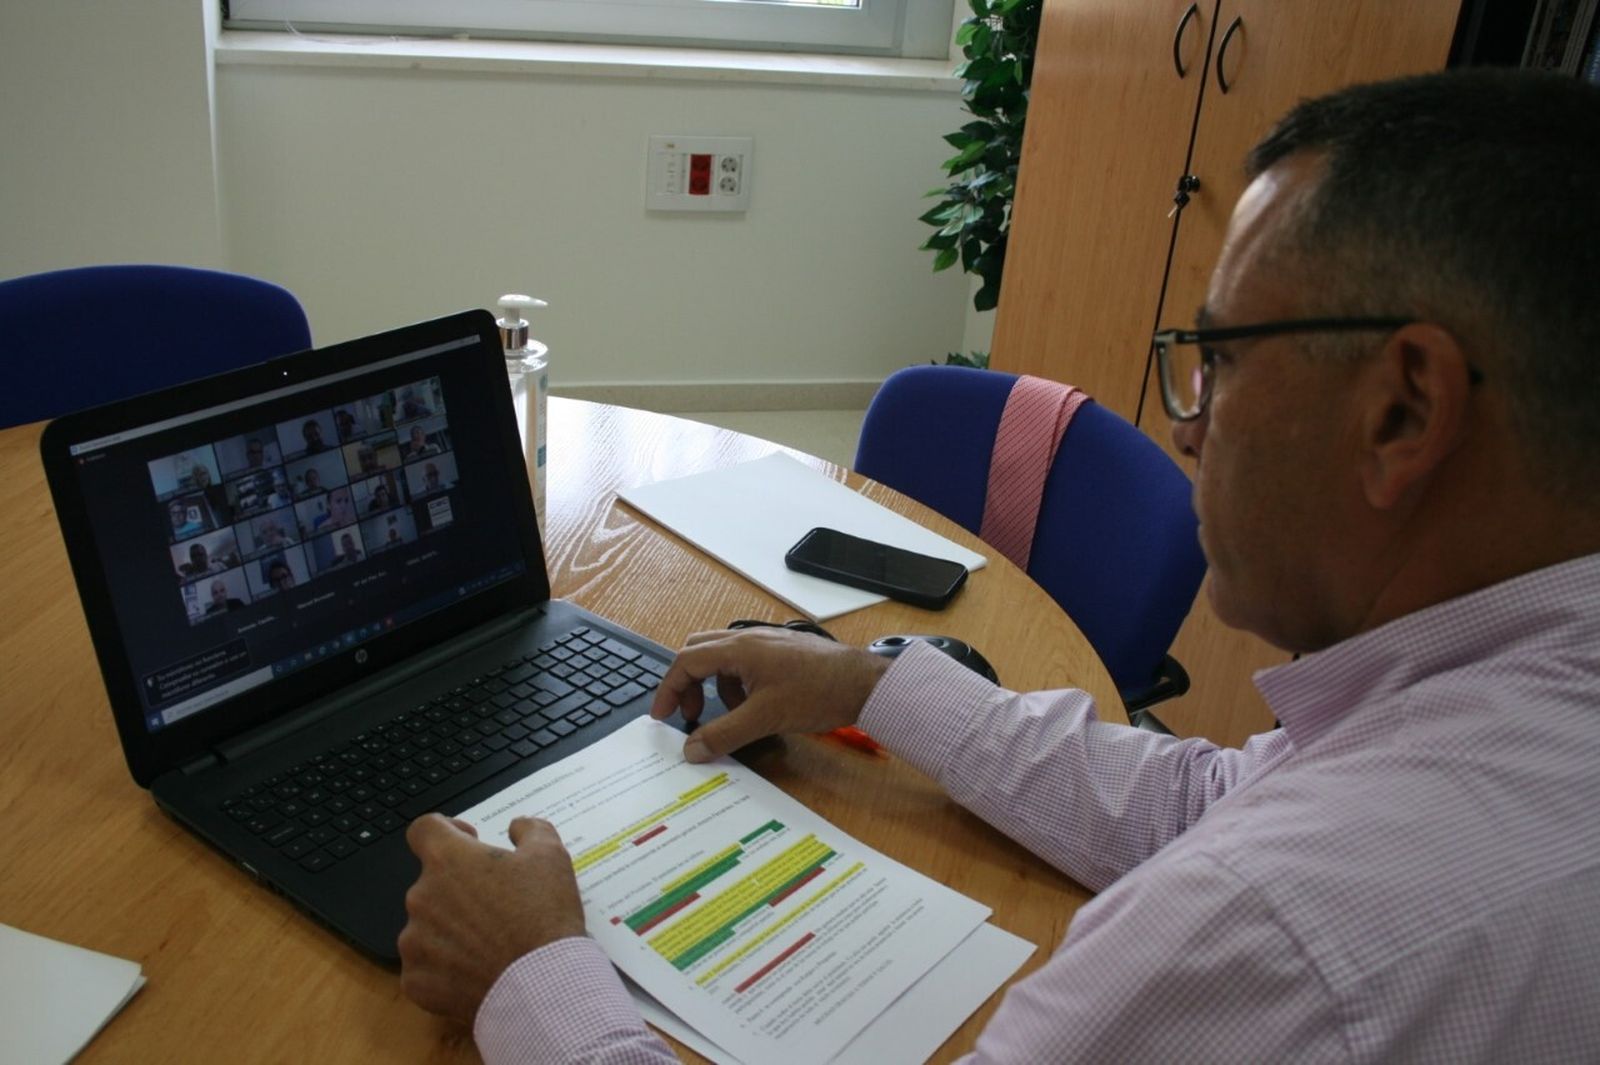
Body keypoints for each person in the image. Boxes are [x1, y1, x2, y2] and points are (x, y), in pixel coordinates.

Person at [397, 70, 1600, 1061]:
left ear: (1403, 412)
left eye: (1220, 357)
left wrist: (537, 976)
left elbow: (1242, 858)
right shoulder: (1515, 709)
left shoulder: (1272, 931)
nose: (1188, 423)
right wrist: (867, 689)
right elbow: (1209, 800)